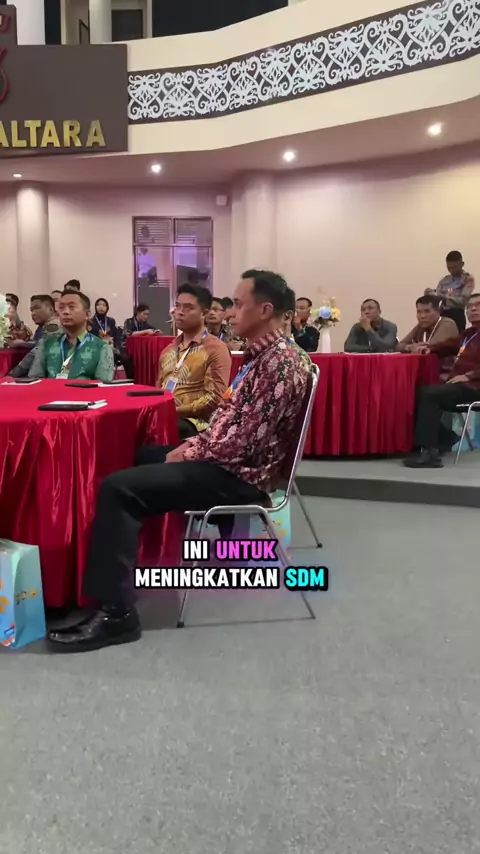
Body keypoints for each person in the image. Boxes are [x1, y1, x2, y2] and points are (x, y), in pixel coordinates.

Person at [48, 269, 309, 652]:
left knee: (119, 489)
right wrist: (191, 447)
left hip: (239, 477)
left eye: (238, 304)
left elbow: (241, 444)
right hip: (229, 462)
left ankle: (116, 614)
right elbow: (233, 427)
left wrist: (188, 450)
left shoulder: (278, 363)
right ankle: (127, 570)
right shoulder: (266, 356)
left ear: (265, 310)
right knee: (135, 457)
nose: (230, 312)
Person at [403, 293, 480, 468]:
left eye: (478, 305)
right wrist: (429, 348)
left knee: (430, 395)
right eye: (469, 307)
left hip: (474, 385)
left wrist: (470, 375)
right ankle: (444, 438)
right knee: (416, 392)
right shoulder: (469, 334)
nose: (473, 309)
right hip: (459, 384)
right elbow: (449, 346)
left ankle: (430, 453)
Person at [155, 284, 231, 441]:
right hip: (165, 416)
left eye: (188, 307)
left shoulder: (216, 348)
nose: (180, 312)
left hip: (196, 423)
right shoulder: (168, 350)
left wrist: (174, 411)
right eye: (178, 306)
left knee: (158, 429)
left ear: (204, 313)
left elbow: (215, 398)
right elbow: (159, 388)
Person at [29, 290, 114, 382]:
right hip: (49, 391)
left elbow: (103, 386)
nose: (65, 312)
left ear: (87, 314)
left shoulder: (102, 348)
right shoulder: (46, 344)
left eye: (71, 307)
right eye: (61, 307)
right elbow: (34, 381)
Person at [9, 295, 62, 378]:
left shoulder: (54, 326)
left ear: (51, 309)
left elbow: (38, 349)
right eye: (31, 310)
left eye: (37, 308)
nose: (33, 313)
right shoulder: (44, 326)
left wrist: (13, 373)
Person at [427, 250, 475, 333]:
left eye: (454, 267)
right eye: (449, 268)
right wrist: (431, 294)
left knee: (457, 339)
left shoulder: (468, 279)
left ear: (462, 264)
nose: (451, 270)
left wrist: (442, 297)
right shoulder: (445, 280)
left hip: (457, 314)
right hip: (443, 314)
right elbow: (438, 296)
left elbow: (462, 301)